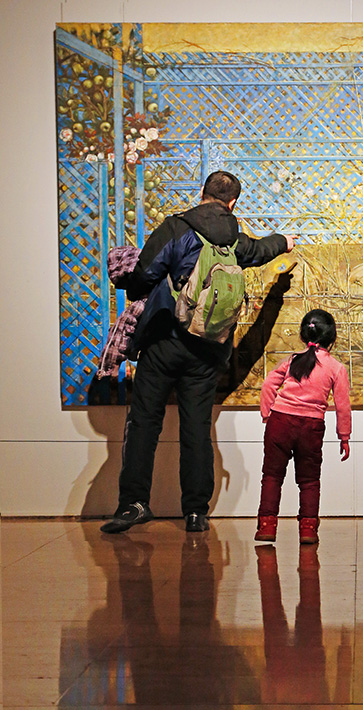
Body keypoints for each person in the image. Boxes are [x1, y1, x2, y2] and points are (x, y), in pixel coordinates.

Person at [101, 170, 294, 535]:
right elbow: (259, 251)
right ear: (233, 202)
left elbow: (142, 277)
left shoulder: (176, 228)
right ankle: (195, 512)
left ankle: (133, 504)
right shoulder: (234, 238)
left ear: (201, 192)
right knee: (196, 428)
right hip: (208, 350)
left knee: (144, 422)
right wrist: (283, 241)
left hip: (164, 341)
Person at [254, 309, 351, 545]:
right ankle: (308, 530)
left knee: (272, 476)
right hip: (311, 427)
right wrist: (344, 436)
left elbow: (268, 385)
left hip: (280, 422)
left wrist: (267, 415)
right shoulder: (336, 368)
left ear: (302, 335)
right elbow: (343, 405)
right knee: (309, 481)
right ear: (332, 337)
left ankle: (267, 527)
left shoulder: (292, 360)